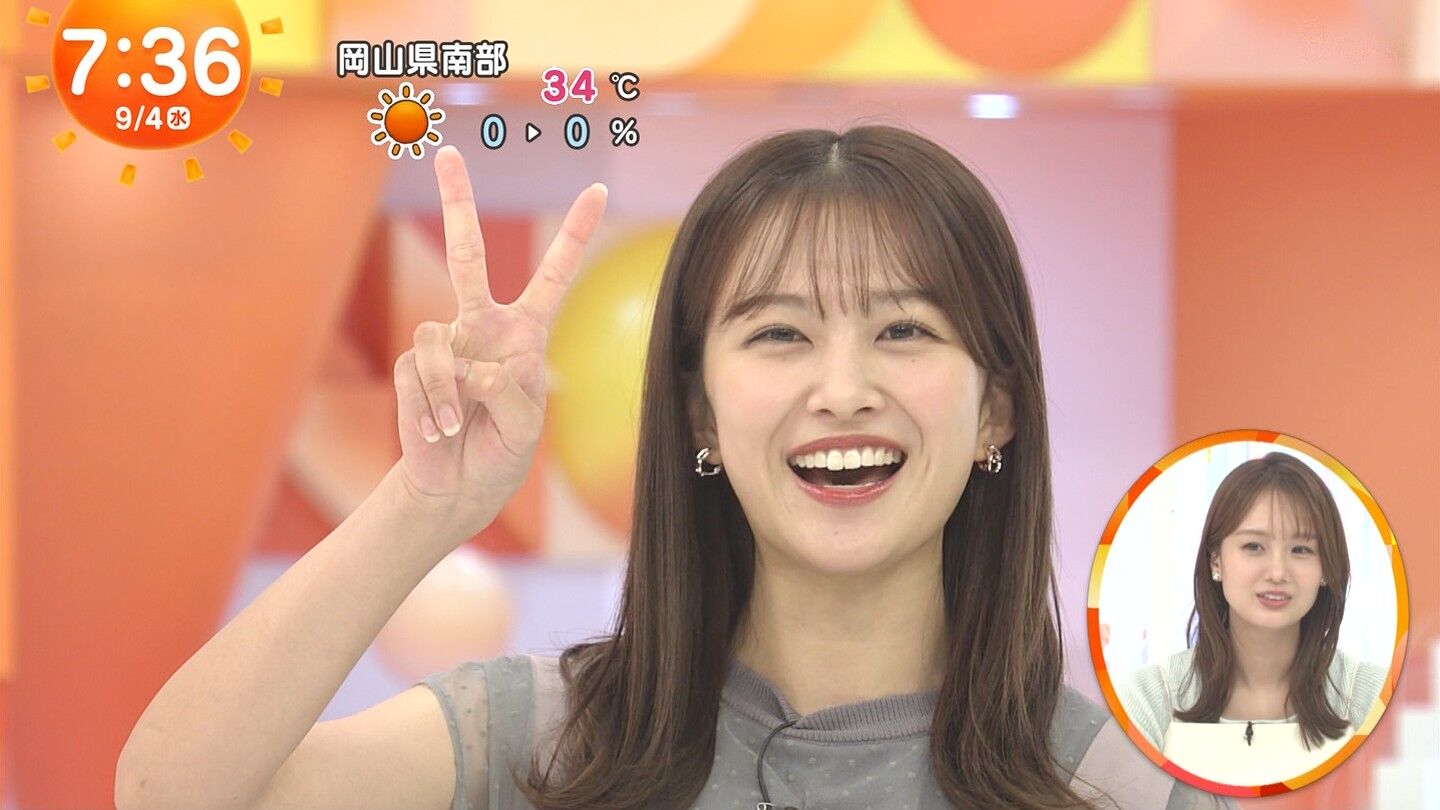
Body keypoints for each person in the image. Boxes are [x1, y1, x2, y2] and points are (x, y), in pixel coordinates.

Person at [116, 126, 1229, 810]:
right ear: (699, 410)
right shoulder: (550, 742)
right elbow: (172, 793)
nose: (842, 388)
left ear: (997, 411)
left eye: (904, 331)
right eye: (780, 334)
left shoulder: (1119, 788)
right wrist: (424, 503)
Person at [1114, 452, 1389, 786]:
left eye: (1300, 550)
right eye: (1254, 547)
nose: (1277, 572)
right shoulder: (1146, 698)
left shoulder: (1371, 694)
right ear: (1215, 560)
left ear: (1325, 569)